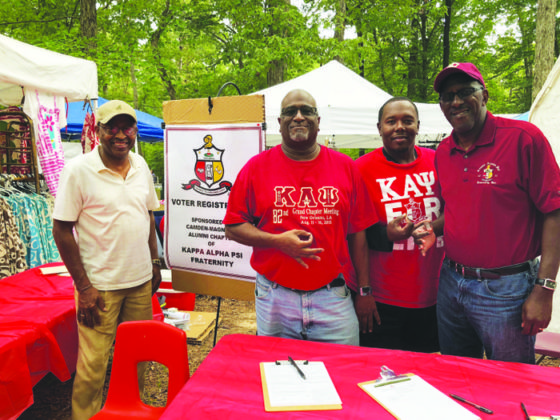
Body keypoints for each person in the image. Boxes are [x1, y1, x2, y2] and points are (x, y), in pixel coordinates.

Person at [223, 89, 378, 345]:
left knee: (341, 372)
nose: (298, 117)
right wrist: (277, 241)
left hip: (333, 294)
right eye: (289, 112)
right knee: (277, 373)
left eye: (306, 111)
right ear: (279, 123)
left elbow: (358, 233)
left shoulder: (346, 167)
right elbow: (233, 227)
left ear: (318, 122)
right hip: (275, 296)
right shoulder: (255, 168)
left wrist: (364, 290)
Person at [433, 62, 560, 363]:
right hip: (451, 281)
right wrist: (429, 227)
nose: (455, 102)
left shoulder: (522, 138)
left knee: (510, 383)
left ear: (485, 95)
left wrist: (544, 289)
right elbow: (458, 210)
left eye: (465, 92)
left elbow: (554, 211)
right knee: (459, 375)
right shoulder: (443, 151)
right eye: (447, 96)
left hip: (507, 288)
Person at [52, 99, 162, 419]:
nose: (120, 134)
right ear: (98, 130)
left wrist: (154, 263)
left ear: (134, 131)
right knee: (93, 367)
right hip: (99, 287)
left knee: (137, 357)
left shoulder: (140, 165)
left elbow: (148, 216)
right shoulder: (78, 170)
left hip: (140, 282)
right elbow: (61, 230)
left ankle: (128, 411)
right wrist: (83, 286)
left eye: (126, 127)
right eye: (112, 127)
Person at [351, 97, 444, 352]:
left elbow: (457, 212)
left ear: (418, 125)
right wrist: (363, 292)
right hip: (382, 300)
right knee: (380, 374)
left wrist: (433, 228)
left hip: (435, 295)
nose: (399, 127)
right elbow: (353, 234)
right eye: (391, 121)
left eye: (407, 120)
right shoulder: (360, 170)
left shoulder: (439, 162)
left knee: (429, 374)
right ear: (379, 128)